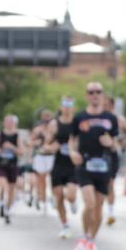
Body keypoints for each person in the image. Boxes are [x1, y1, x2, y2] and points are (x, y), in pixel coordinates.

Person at [69, 82, 118, 250]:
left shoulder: (111, 118)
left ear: (103, 95)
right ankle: (84, 236)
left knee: (98, 207)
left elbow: (116, 144)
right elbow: (72, 140)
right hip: (85, 164)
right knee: (89, 204)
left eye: (98, 92)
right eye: (91, 92)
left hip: (104, 166)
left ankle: (91, 240)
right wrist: (72, 153)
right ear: (87, 95)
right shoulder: (80, 117)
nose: (95, 95)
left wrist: (110, 143)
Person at [48, 97, 80, 239]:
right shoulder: (54, 124)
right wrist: (52, 147)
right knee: (59, 196)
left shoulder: (77, 123)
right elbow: (46, 144)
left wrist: (77, 148)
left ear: (73, 108)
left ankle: (73, 201)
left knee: (71, 195)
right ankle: (65, 225)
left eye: (70, 106)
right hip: (59, 164)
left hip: (73, 164)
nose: (67, 108)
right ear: (61, 107)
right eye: (65, 106)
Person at [0, 115, 22, 224]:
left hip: (12, 165)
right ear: (4, 123)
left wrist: (11, 147)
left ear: (14, 123)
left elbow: (21, 152)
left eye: (11, 122)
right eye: (7, 122)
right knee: (3, 186)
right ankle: (1, 203)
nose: (9, 124)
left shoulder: (17, 135)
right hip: (1, 164)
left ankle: (8, 210)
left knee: (11, 190)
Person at [101, 94, 126, 226]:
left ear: (112, 105)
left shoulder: (118, 119)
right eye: (102, 104)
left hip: (112, 154)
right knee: (99, 184)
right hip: (97, 154)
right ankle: (98, 209)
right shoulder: (96, 117)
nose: (104, 106)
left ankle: (111, 212)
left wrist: (121, 141)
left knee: (110, 183)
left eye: (106, 104)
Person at [31, 109, 55, 214]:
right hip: (40, 156)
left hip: (51, 156)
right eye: (45, 116)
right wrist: (37, 142)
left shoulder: (54, 130)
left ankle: (54, 196)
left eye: (48, 116)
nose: (47, 119)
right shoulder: (37, 130)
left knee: (53, 178)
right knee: (42, 180)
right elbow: (30, 142)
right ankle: (44, 202)